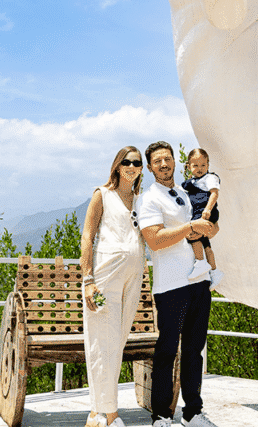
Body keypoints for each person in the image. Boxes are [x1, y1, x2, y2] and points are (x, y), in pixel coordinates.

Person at [136, 140, 219, 427]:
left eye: (167, 159)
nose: (164, 164)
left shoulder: (187, 190)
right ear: (150, 168)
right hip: (171, 287)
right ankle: (160, 415)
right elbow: (155, 241)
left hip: (199, 281)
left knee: (194, 351)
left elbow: (209, 226)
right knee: (167, 351)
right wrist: (190, 228)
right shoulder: (148, 199)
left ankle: (192, 413)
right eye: (157, 161)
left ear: (175, 161)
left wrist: (210, 228)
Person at [81, 146, 146, 427]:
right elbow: (87, 235)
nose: (132, 167)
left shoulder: (142, 200)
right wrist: (88, 280)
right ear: (118, 165)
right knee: (102, 342)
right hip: (105, 276)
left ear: (141, 169)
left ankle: (96, 413)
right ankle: (111, 415)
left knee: (116, 343)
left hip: (134, 276)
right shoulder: (102, 194)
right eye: (127, 162)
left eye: (137, 163)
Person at [181, 148, 223, 288]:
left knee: (193, 235)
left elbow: (214, 193)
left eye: (203, 165)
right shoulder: (192, 182)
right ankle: (214, 271)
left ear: (208, 165)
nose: (200, 169)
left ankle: (200, 262)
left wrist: (208, 209)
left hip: (205, 212)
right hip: (199, 212)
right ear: (189, 167)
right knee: (206, 245)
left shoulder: (210, 178)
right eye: (196, 165)